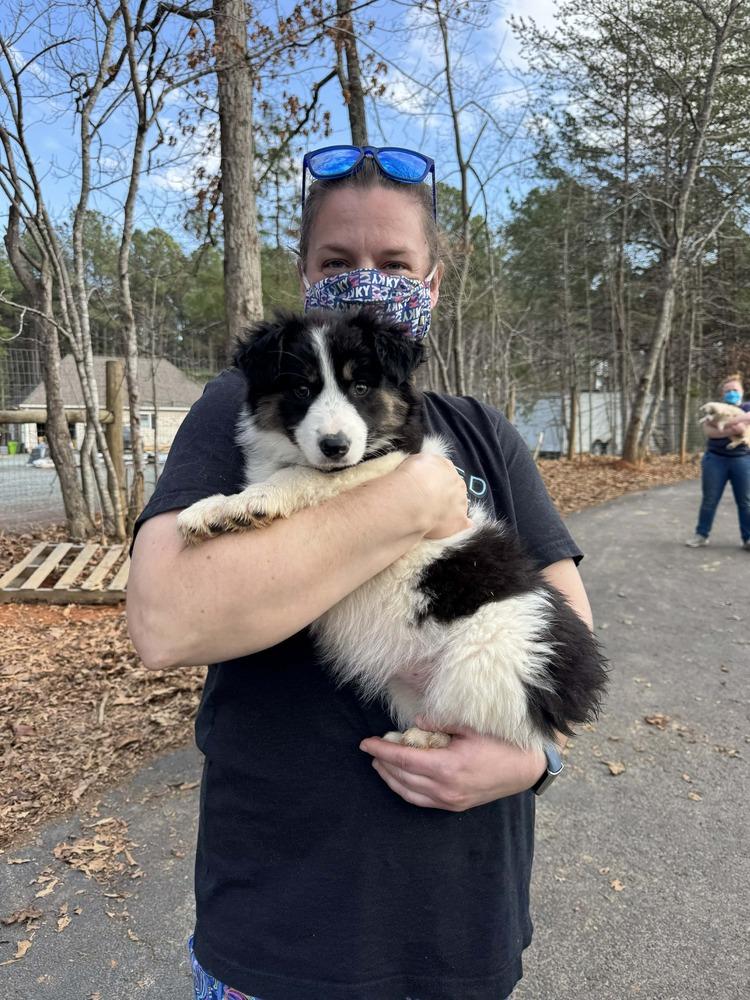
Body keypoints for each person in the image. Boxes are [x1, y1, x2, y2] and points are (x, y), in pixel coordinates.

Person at [127, 145, 594, 1000]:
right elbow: (162, 623)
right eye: (338, 263)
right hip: (283, 926)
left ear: (434, 282)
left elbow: (568, 638)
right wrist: (412, 500)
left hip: (464, 930)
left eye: (395, 264)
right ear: (305, 273)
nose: (365, 281)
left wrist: (533, 760)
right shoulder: (233, 408)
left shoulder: (484, 429)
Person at [686, 373, 750, 550]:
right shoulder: (713, 408)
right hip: (715, 459)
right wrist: (736, 427)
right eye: (728, 391)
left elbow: (745, 423)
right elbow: (710, 431)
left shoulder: (747, 406)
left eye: (735, 390)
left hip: (742, 459)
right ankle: (701, 534)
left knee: (745, 501)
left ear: (742, 392)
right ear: (722, 394)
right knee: (710, 499)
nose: (731, 393)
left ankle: (748, 538)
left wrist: (724, 424)